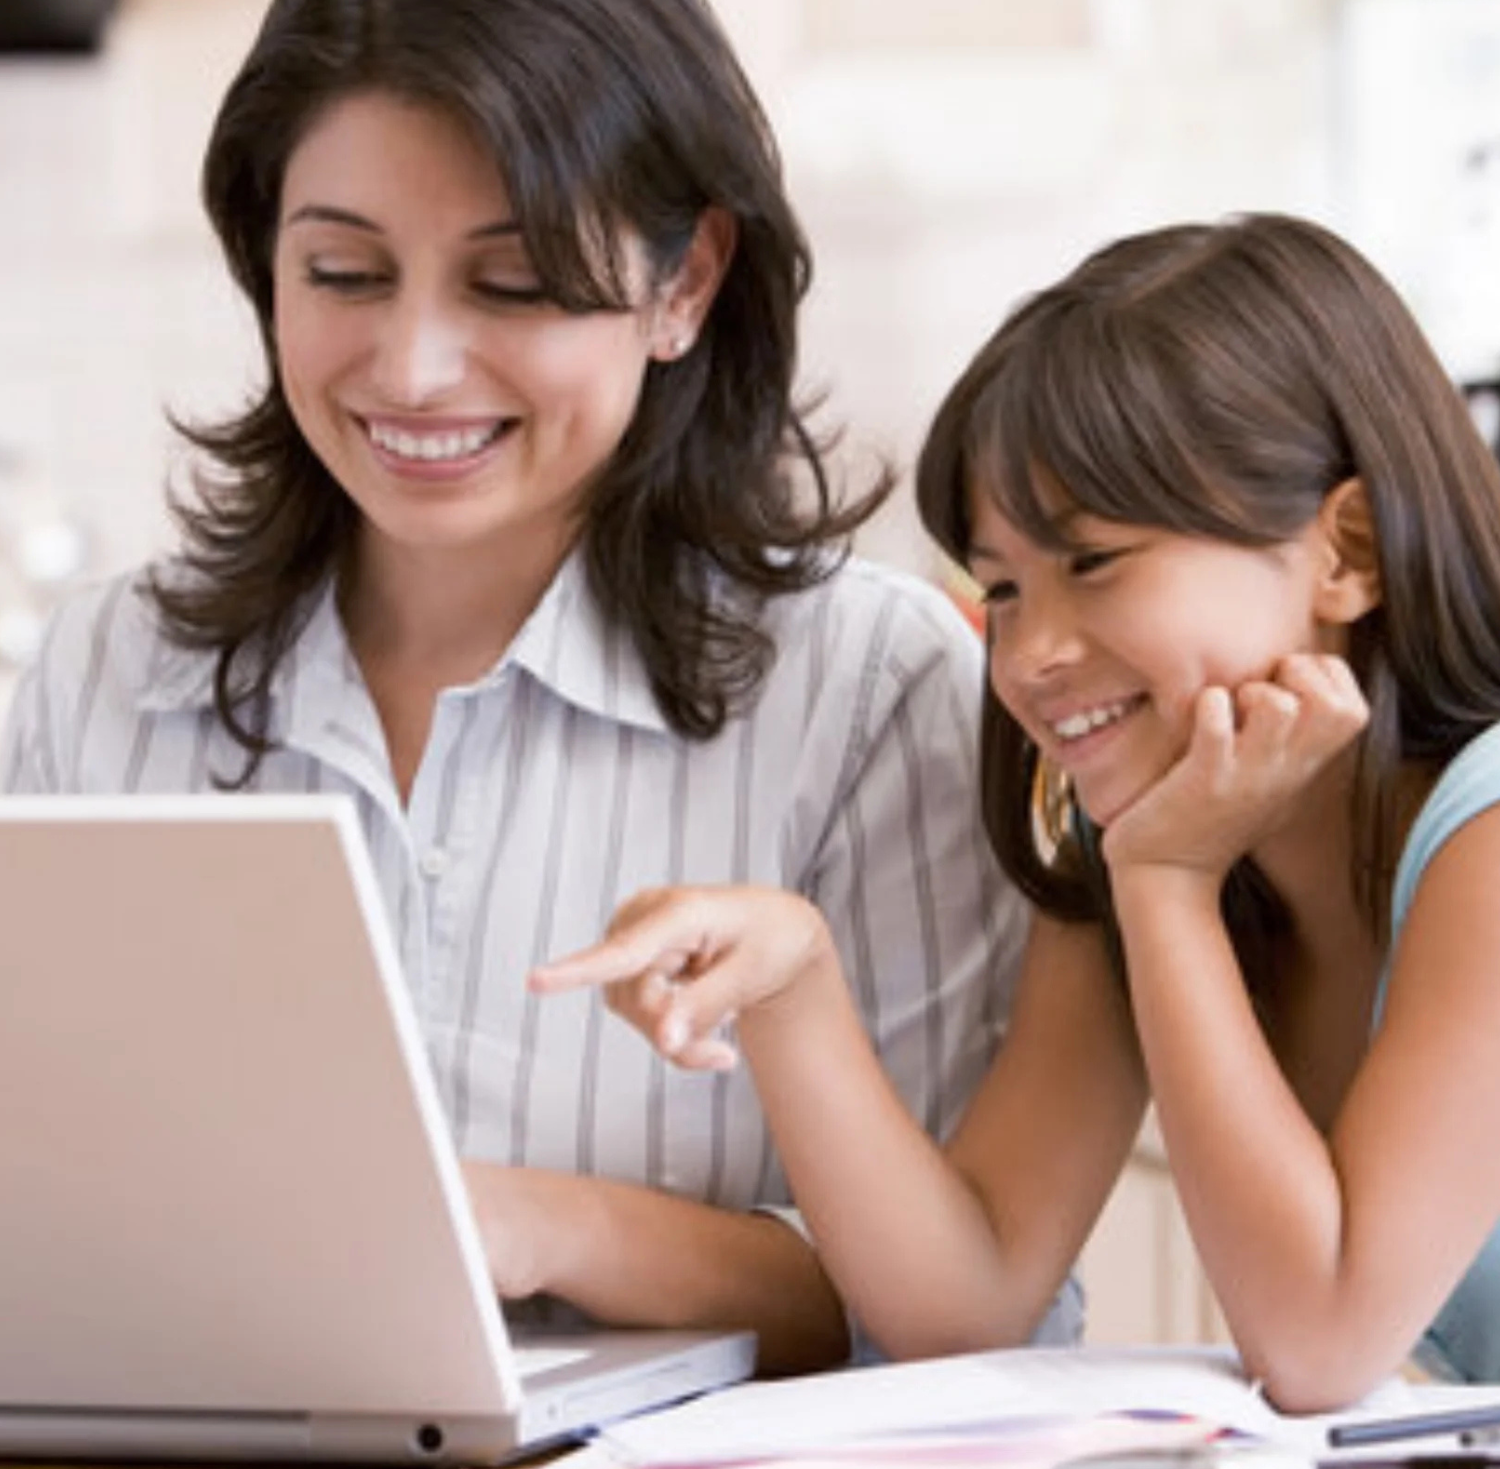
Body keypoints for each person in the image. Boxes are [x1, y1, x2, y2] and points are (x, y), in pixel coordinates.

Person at [0, 0, 1054, 1373]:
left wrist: (531, 1228)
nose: (415, 368)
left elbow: (948, 1320)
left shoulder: (868, 690)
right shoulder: (105, 673)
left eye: (515, 286)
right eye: (342, 273)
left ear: (684, 286)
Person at [534, 211, 1500, 1409]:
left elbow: (1320, 1342)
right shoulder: (1153, 836)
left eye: (1093, 561)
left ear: (1343, 550)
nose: (1031, 652)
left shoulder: (1474, 838)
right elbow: (970, 1297)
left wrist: (1166, 885)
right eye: (1001, 586)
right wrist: (794, 989)